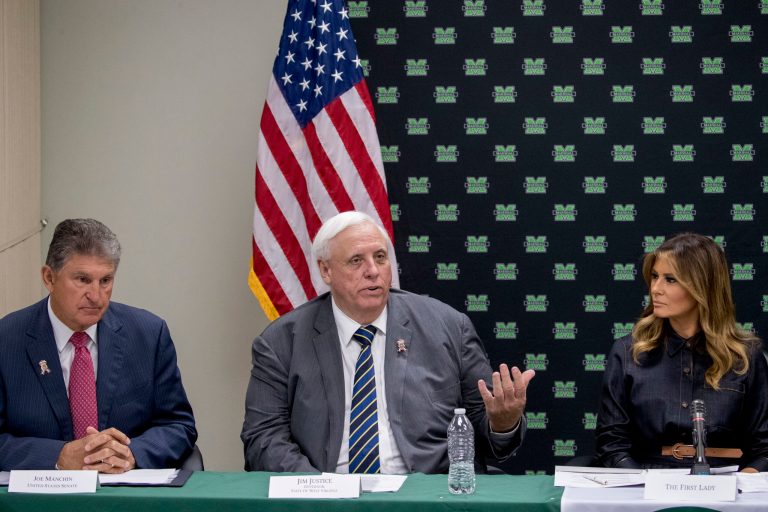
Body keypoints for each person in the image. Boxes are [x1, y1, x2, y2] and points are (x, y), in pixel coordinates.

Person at [241, 211, 535, 474]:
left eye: (380, 257)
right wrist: (320, 491)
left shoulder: (448, 327)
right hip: (326, 499)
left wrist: (503, 423)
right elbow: (263, 437)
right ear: (326, 270)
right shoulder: (281, 342)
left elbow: (486, 431)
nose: (373, 270)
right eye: (356, 260)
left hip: (427, 498)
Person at [0, 218, 197, 472]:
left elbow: (178, 425)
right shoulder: (7, 340)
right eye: (82, 280)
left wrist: (131, 453)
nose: (96, 296)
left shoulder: (148, 335)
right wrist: (57, 456)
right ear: (49, 278)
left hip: (126, 498)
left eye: (105, 281)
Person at [596, 232, 768, 471]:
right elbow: (612, 444)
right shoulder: (627, 352)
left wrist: (743, 483)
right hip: (646, 485)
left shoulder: (747, 356)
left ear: (702, 287)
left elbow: (764, 448)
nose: (655, 289)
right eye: (654, 277)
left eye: (670, 279)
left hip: (727, 487)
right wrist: (642, 488)